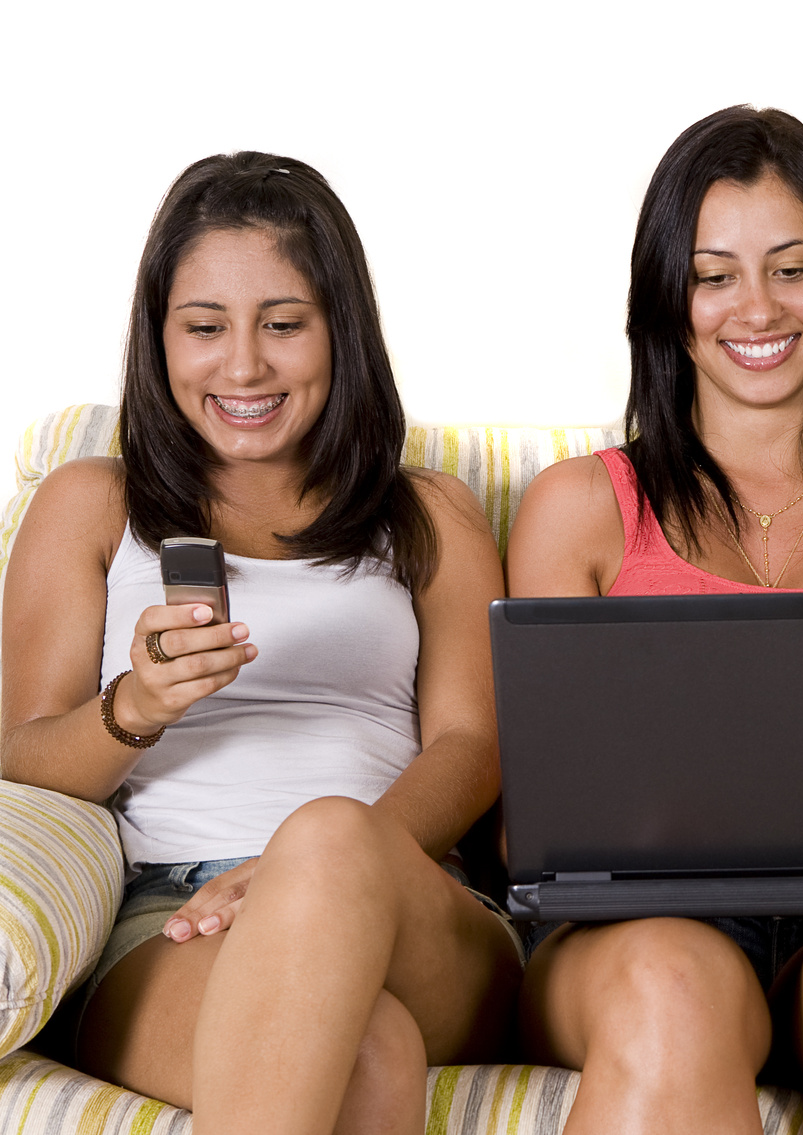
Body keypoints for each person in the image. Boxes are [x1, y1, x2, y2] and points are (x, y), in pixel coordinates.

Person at [0, 153, 522, 1134]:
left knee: (326, 835)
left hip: (408, 897)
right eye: (205, 328)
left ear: (340, 331)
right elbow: (21, 754)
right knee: (365, 1057)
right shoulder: (90, 503)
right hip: (175, 916)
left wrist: (326, 862)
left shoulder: (429, 513)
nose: (243, 367)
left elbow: (474, 744)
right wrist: (135, 708)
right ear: (159, 337)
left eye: (283, 324)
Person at [506, 105, 803, 1134]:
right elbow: (533, 817)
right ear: (666, 295)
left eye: (791, 268)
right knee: (669, 983)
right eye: (714, 274)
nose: (758, 307)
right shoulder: (577, 508)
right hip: (636, 931)